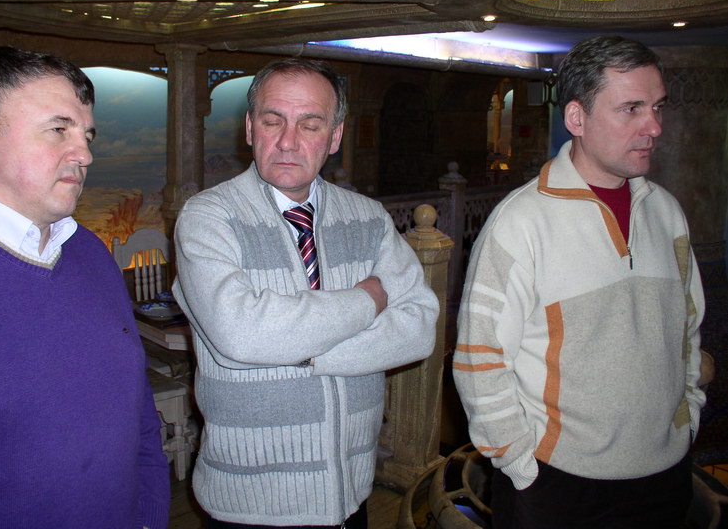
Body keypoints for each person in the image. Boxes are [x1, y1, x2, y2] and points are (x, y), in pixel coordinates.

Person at [172, 58, 439, 528]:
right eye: (272, 121)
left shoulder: (369, 218)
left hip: (351, 492)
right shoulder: (207, 218)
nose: (288, 141)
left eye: (310, 125)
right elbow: (242, 334)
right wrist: (368, 300)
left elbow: (418, 330)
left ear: (334, 136)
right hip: (250, 504)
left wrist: (298, 350)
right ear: (250, 128)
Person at [453, 35, 705, 528]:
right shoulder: (522, 222)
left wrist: (687, 419)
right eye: (631, 109)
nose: (654, 126)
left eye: (656, 107)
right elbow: (480, 359)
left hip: (665, 474)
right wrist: (521, 463)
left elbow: (687, 331)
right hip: (557, 484)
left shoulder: (667, 212)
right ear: (577, 118)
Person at [0, 46, 170, 528]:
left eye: (87, 135)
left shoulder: (89, 252)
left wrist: (149, 513)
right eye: (59, 129)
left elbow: (135, 406)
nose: (85, 154)